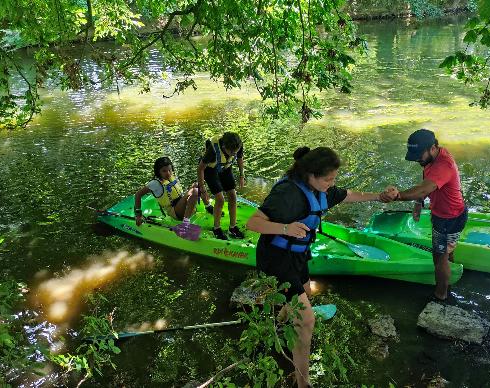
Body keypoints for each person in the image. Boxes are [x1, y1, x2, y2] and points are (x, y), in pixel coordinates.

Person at [246, 146, 397, 388]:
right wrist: (285, 228)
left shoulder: (320, 188)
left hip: (298, 256)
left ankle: (280, 323)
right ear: (311, 175)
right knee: (307, 320)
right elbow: (252, 222)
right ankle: (302, 382)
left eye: (334, 178)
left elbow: (347, 195)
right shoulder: (287, 194)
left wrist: (379, 196)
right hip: (276, 260)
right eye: (328, 179)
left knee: (305, 292)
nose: (332, 183)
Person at [392, 129, 467, 301]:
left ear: (433, 148)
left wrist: (397, 195)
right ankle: (451, 270)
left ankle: (440, 295)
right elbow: (426, 179)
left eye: (419, 155)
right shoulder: (433, 157)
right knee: (445, 252)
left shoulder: (444, 165)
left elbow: (425, 187)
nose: (418, 159)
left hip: (449, 218)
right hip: (446, 214)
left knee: (439, 259)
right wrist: (419, 203)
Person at [198, 132, 245, 240]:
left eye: (235, 152)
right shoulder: (212, 151)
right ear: (224, 147)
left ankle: (232, 227)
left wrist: (242, 175)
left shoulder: (238, 146)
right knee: (220, 199)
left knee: (233, 196)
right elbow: (200, 169)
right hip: (210, 169)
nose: (234, 154)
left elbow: (239, 159)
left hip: (225, 168)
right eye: (231, 152)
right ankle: (216, 228)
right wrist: (203, 188)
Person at [134, 156, 198, 226]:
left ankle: (208, 206)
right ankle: (185, 224)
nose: (168, 173)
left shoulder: (171, 177)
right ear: (158, 171)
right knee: (194, 191)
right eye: (164, 171)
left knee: (196, 185)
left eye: (169, 170)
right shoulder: (155, 183)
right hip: (174, 211)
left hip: (180, 206)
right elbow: (138, 194)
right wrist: (138, 215)